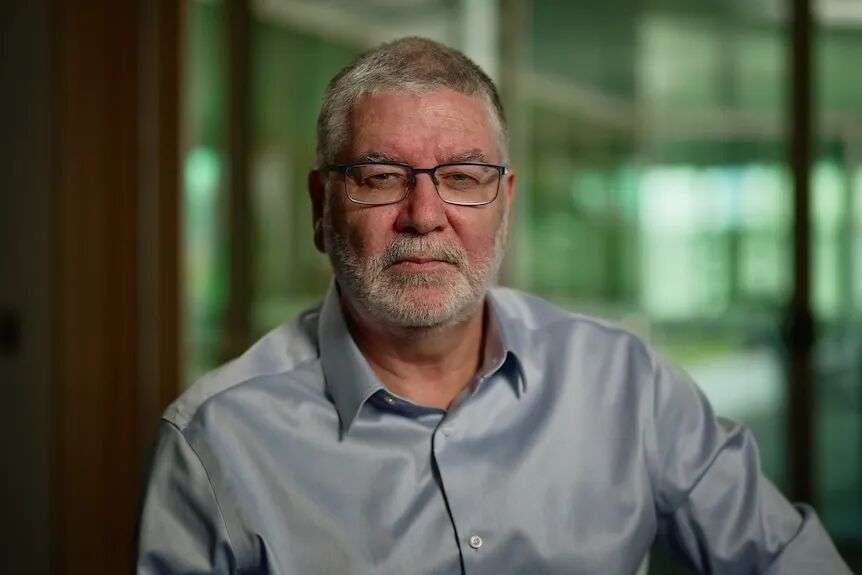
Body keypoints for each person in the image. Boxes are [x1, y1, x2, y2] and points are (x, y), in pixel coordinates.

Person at [135, 37, 850, 574]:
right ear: (323, 208)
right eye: (381, 176)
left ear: (504, 203)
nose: (424, 214)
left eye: (463, 176)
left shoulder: (623, 380)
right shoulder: (216, 441)